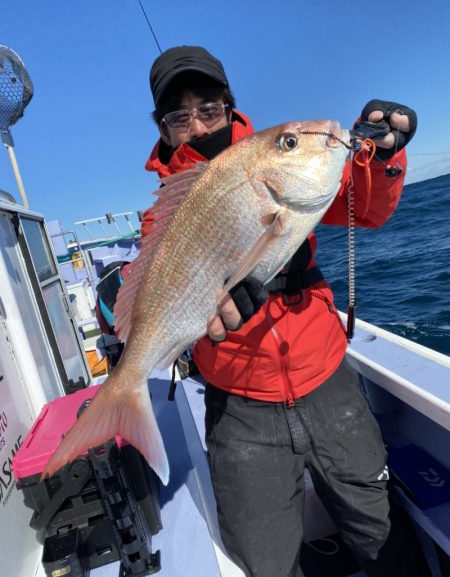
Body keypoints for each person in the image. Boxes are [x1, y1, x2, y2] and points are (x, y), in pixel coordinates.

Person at [141, 45, 426, 577]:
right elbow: (160, 295)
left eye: (209, 108)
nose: (198, 126)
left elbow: (363, 205)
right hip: (240, 406)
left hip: (326, 378)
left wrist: (382, 155)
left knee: (377, 524)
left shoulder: (274, 159)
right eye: (179, 117)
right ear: (163, 128)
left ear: (229, 106)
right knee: (262, 560)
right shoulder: (163, 211)